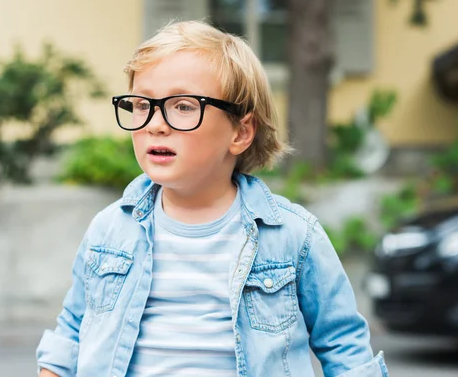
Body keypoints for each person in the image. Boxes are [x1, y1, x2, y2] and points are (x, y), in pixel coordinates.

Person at [36, 20, 389, 377]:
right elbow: (72, 331)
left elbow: (345, 347)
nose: (154, 123)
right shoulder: (110, 230)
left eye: (184, 106)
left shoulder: (293, 237)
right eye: (142, 104)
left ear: (241, 131)